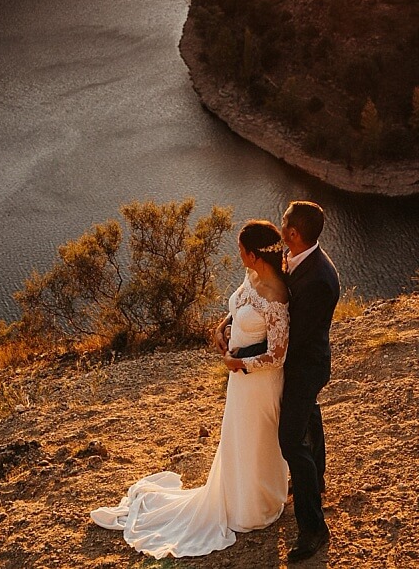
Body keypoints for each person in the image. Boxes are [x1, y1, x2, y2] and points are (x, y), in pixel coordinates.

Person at [91, 220, 291, 558]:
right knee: (237, 437)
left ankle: (255, 506)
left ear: (255, 255)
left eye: (241, 250)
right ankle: (236, 495)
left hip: (258, 383)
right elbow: (240, 308)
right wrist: (223, 327)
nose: (239, 255)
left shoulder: (277, 296)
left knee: (256, 438)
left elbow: (278, 354)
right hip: (240, 381)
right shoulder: (253, 276)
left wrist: (238, 363)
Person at [279, 199, 340, 562]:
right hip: (305, 363)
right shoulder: (297, 257)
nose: (280, 227)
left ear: (293, 233)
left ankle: (314, 529)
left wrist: (249, 354)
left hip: (306, 366)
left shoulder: (318, 280)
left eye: (283, 223)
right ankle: (316, 479)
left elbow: (294, 337)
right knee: (310, 418)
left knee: (290, 442)